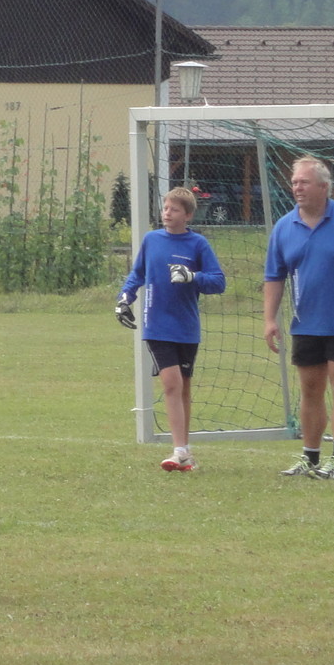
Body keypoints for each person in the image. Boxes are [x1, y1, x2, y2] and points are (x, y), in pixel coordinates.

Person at [262, 156, 334, 480]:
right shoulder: (284, 227)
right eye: (294, 182)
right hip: (306, 323)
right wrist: (270, 319)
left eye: (304, 182)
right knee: (310, 390)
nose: (297, 187)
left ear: (324, 187)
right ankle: (310, 457)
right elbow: (274, 276)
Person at [115, 187, 227, 472]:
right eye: (165, 208)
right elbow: (137, 274)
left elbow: (218, 282)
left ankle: (185, 451)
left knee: (183, 386)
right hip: (157, 324)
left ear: (188, 215)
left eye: (175, 209)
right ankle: (178, 451)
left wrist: (193, 276)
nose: (167, 213)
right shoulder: (151, 240)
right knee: (171, 384)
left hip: (186, 327)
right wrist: (125, 298)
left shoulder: (198, 244)